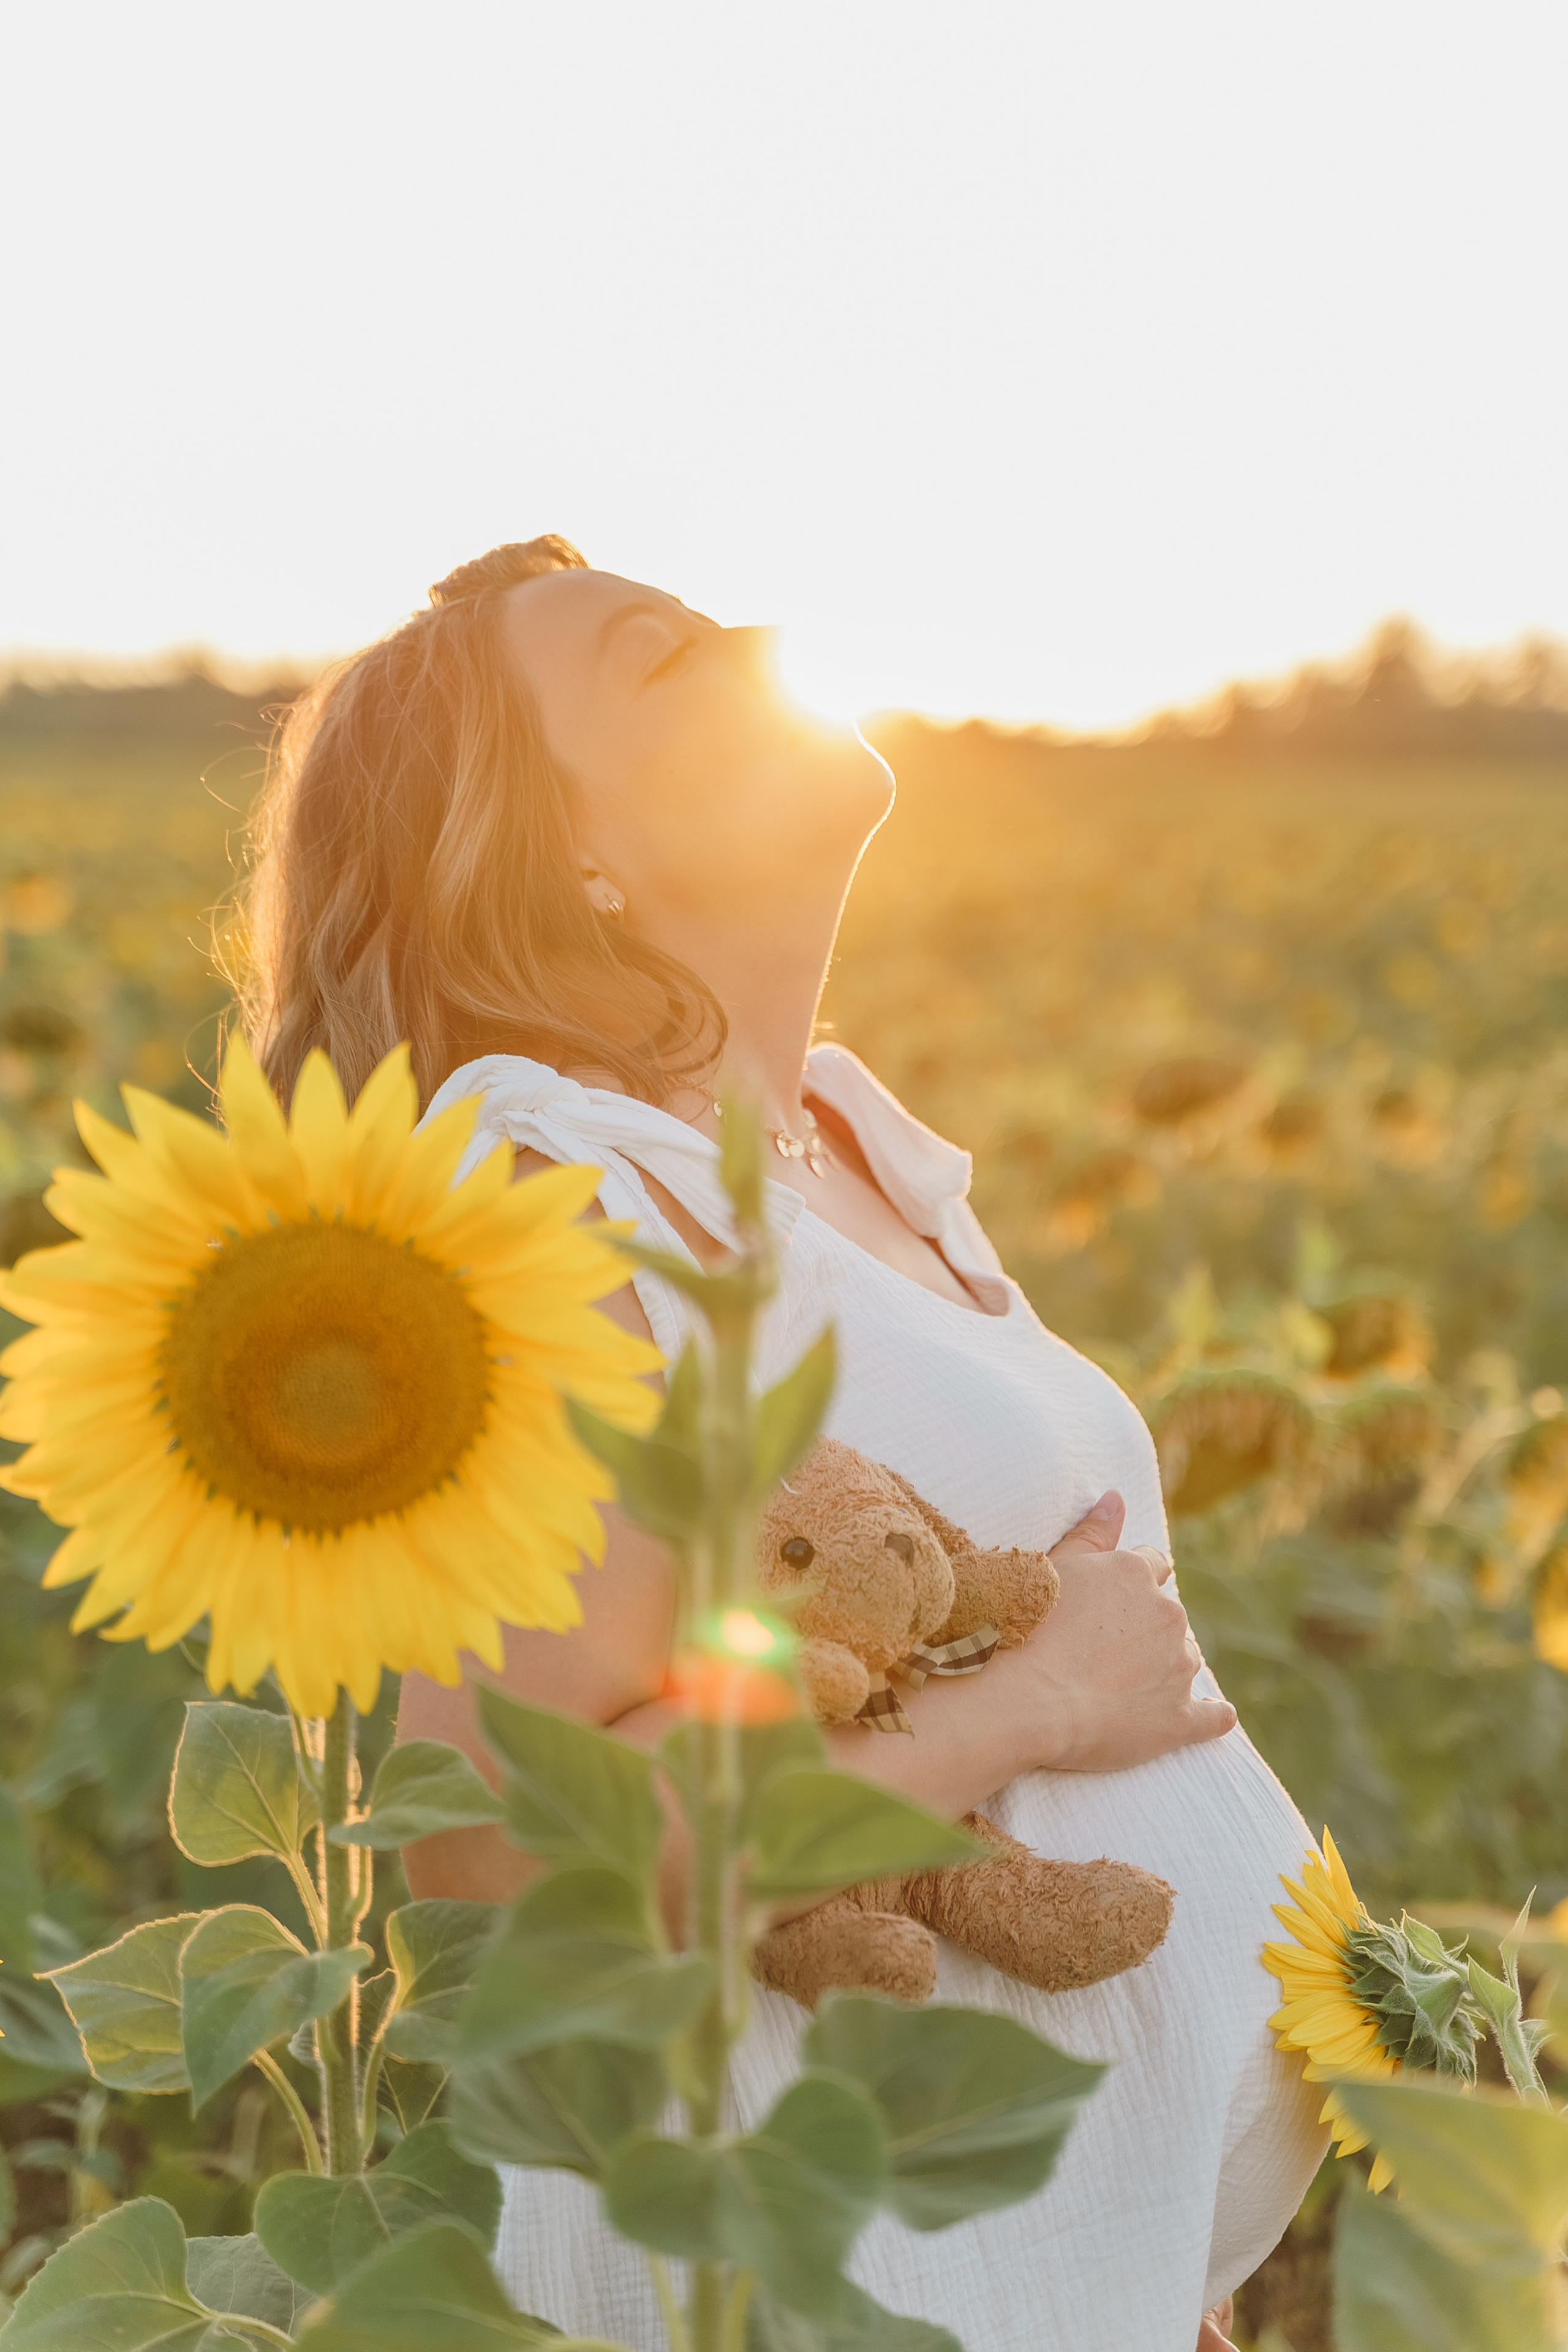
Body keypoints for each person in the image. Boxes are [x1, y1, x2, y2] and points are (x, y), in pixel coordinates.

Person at [239, 536, 1324, 2351]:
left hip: (1056, 2273)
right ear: (561, 848)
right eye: (662, 660)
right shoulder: (534, 1205)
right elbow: (493, 1845)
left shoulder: (843, 1141)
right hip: (815, 2265)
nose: (756, 637)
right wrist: (1030, 1713)